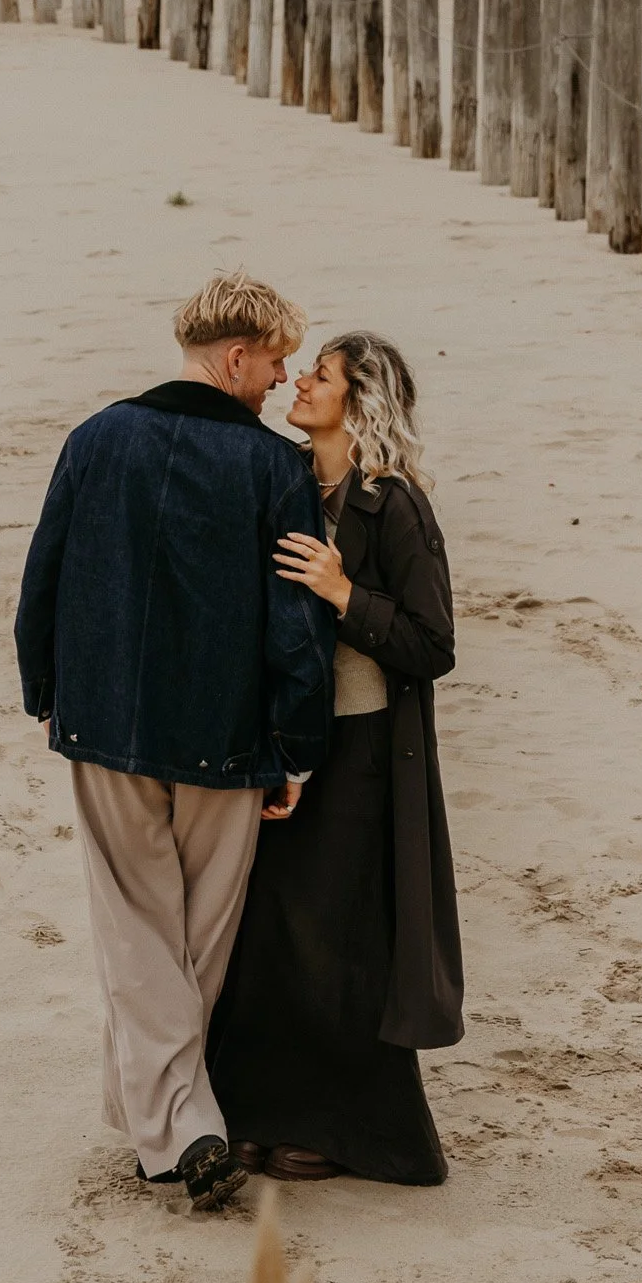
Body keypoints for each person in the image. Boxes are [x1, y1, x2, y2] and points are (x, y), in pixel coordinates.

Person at [15, 274, 335, 1214]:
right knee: (194, 944)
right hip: (226, 741)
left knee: (135, 931)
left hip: (105, 725)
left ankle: (164, 1123)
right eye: (276, 364)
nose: (282, 382)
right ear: (236, 357)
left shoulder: (97, 437)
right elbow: (295, 627)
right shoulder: (274, 471)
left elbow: (44, 574)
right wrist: (297, 746)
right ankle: (186, 1128)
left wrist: (47, 692)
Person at [207, 331, 463, 1185]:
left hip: (361, 752)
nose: (300, 383)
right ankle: (254, 1114)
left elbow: (432, 644)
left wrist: (343, 592)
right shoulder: (283, 479)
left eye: (320, 377)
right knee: (262, 934)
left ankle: (343, 1127)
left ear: (360, 403)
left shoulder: (395, 506)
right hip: (280, 743)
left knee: (340, 939)